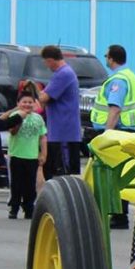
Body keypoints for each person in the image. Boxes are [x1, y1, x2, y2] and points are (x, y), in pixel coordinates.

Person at [91, 44, 135, 229]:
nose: (106, 59)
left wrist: (107, 134)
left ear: (112, 58)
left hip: (117, 131)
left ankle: (118, 216)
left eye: (106, 56)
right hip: (126, 131)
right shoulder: (128, 75)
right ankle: (119, 215)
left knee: (111, 175)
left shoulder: (118, 80)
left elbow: (115, 108)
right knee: (119, 175)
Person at [37, 45, 82, 177]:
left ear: (51, 60)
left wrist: (37, 93)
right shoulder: (65, 72)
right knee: (57, 171)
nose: (46, 65)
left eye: (46, 62)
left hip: (62, 132)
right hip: (62, 130)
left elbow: (44, 98)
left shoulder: (63, 74)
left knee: (61, 173)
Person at [2, 90, 47, 219]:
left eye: (30, 102)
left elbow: (42, 137)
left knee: (30, 185)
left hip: (31, 156)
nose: (27, 105)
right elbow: (13, 132)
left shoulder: (38, 118)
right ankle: (14, 208)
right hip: (16, 155)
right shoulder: (15, 116)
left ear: (34, 104)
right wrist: (20, 118)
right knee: (16, 184)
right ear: (18, 103)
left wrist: (43, 154)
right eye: (24, 102)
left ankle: (28, 208)